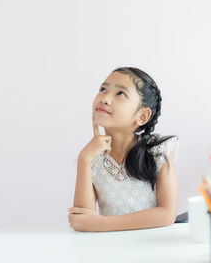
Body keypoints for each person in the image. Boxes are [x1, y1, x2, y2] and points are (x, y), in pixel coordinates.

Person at [68, 67, 179, 232]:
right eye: (103, 89)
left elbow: (167, 214)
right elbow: (82, 221)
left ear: (142, 116)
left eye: (120, 93)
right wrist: (84, 159)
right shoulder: (91, 158)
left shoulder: (158, 150)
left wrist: (102, 224)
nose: (105, 98)